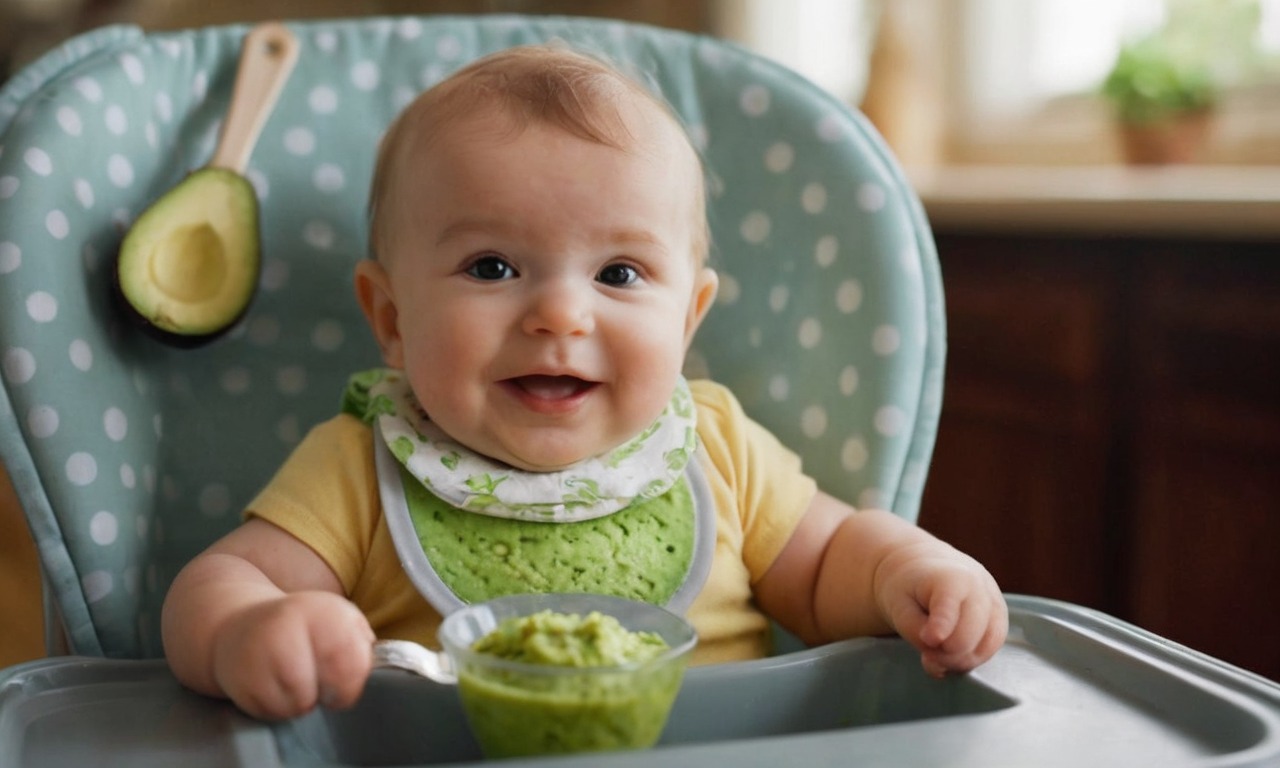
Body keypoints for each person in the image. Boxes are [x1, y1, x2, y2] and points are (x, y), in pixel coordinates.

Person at [161, 44, 1007, 721]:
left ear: (687, 318)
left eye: (620, 273)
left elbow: (828, 567)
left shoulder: (716, 447)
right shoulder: (360, 466)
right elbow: (215, 585)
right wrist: (247, 630)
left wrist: (912, 572)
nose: (560, 315)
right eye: (491, 266)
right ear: (390, 319)